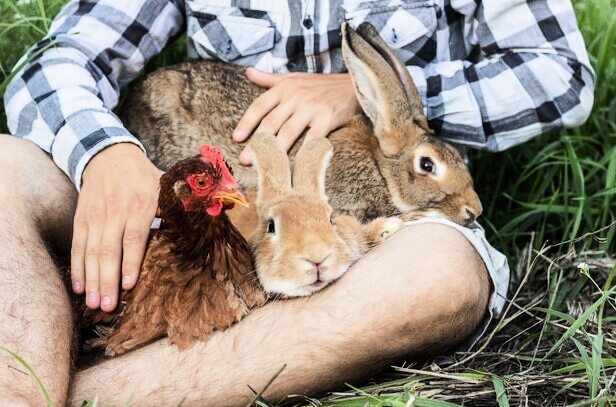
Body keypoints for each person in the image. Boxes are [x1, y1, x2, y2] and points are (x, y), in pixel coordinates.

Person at [0, 0, 593, 405]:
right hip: (201, 192)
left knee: (440, 279)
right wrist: (106, 153)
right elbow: (60, 60)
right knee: (6, 169)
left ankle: (90, 392)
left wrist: (358, 98)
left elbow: (559, 73)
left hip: (378, 221)